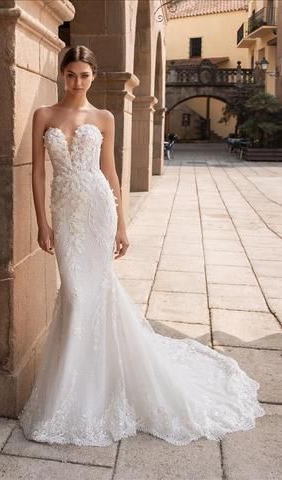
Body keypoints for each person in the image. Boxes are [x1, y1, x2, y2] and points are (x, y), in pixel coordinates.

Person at [18, 45, 265, 447]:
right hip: (64, 214)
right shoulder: (44, 116)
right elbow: (37, 174)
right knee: (77, 295)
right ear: (61, 75)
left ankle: (90, 386)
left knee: (90, 296)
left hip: (97, 209)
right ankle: (75, 386)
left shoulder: (104, 117)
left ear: (93, 76)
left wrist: (121, 225)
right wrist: (42, 222)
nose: (77, 82)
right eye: (71, 75)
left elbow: (110, 171)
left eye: (84, 75)